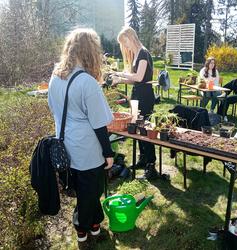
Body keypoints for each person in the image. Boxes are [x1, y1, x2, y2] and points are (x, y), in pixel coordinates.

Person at [48, 28, 114, 242]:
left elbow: (54, 110)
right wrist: (108, 151)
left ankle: (95, 226)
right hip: (87, 150)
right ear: (90, 51)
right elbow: (99, 124)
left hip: (65, 146)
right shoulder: (87, 82)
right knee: (90, 192)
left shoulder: (55, 77)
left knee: (85, 191)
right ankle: (82, 231)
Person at [112, 26, 158, 180]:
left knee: (145, 128)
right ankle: (142, 159)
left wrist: (119, 72)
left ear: (130, 37)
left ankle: (151, 164)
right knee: (137, 127)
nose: (124, 46)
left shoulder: (143, 53)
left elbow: (139, 77)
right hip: (137, 94)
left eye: (124, 42)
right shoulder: (137, 54)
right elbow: (135, 81)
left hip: (145, 96)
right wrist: (120, 80)